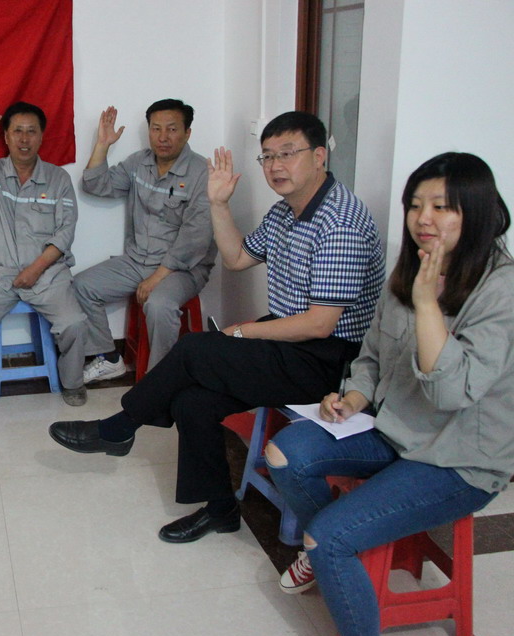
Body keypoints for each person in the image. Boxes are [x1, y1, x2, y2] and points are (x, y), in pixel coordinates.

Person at [48, 112, 385, 543]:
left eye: (288, 154)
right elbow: (237, 258)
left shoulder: (340, 222)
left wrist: (242, 332)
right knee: (193, 402)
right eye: (268, 156)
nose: (276, 166)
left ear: (319, 156)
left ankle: (119, 427)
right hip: (288, 340)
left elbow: (320, 325)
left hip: (327, 360)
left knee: (195, 349)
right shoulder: (286, 212)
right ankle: (221, 510)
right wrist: (219, 205)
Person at [266, 153, 514, 636]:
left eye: (441, 207)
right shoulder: (414, 266)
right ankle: (324, 552)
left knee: (328, 538)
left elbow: (451, 393)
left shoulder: (501, 290)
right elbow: (373, 355)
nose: (423, 219)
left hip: (457, 460)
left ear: (476, 212)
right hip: (394, 428)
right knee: (284, 453)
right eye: (415, 205)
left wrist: (427, 306)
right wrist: (354, 397)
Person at [0, 94, 88, 407]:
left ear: (41, 137)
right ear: (6, 136)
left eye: (31, 131)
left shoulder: (58, 178)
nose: (24, 139)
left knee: (74, 323)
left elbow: (66, 232)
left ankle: (72, 382)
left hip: (47, 273)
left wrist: (36, 268)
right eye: (17, 131)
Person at [75, 100, 215, 382]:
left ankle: (159, 380)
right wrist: (102, 145)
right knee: (82, 286)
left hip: (183, 269)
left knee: (159, 304)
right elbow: (95, 185)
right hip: (137, 260)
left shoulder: (202, 173)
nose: (163, 137)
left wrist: (157, 277)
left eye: (172, 129)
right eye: (156, 129)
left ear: (187, 133)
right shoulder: (139, 163)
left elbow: (196, 236)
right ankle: (110, 358)